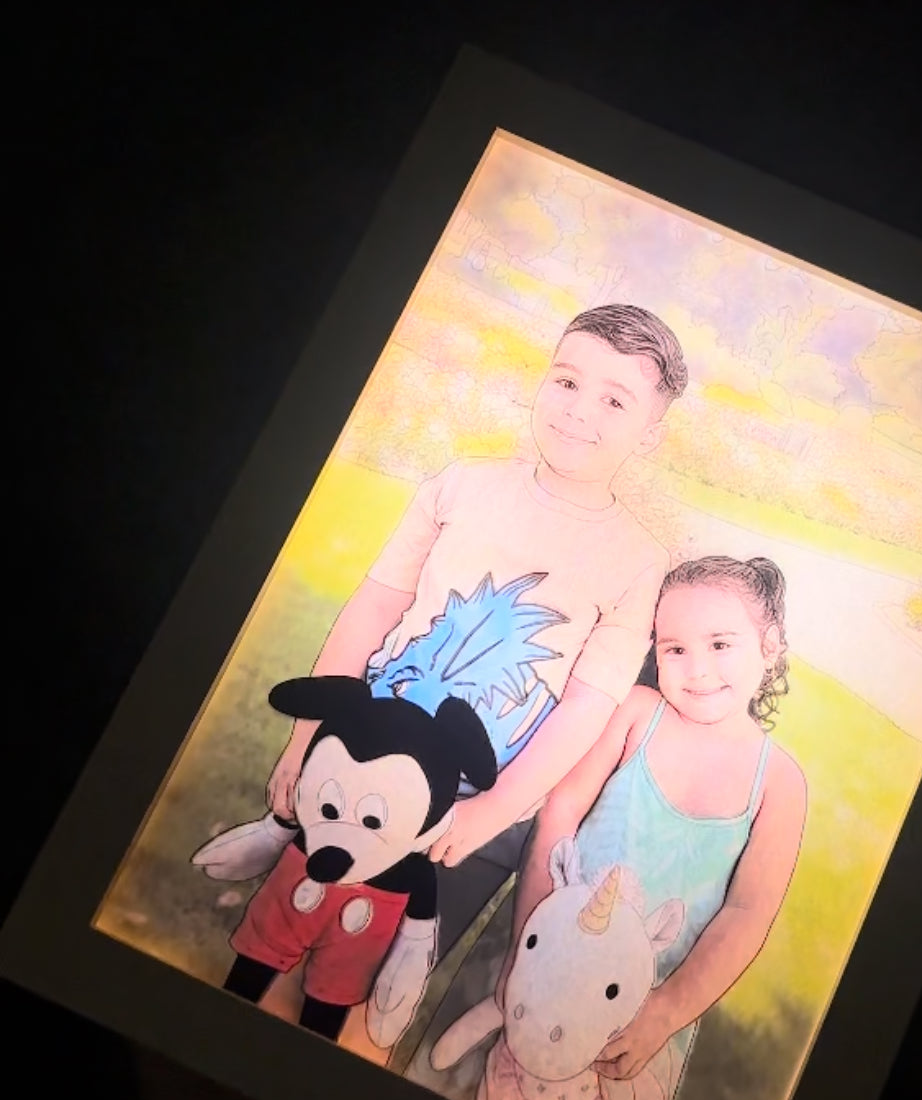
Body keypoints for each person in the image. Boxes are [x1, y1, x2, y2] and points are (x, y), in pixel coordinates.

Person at [192, 305, 687, 1020]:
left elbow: (588, 702)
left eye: (615, 400)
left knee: (364, 963)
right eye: (567, 381)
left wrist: (493, 810)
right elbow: (372, 608)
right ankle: (276, 840)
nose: (579, 410)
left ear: (650, 431)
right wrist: (303, 742)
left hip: (469, 792)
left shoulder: (638, 559)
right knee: (285, 914)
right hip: (361, 747)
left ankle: (387, 966)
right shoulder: (461, 484)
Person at [494, 555, 808, 1098]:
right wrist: (527, 947)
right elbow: (560, 813)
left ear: (770, 645)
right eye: (674, 649)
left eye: (720, 644)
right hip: (545, 963)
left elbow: (747, 914)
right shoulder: (639, 712)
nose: (697, 669)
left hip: (645, 1015)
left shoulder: (780, 783)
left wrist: (666, 1012)